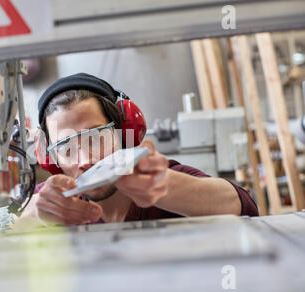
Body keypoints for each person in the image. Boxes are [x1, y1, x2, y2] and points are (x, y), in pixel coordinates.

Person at [16, 73, 258, 228]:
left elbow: (243, 207)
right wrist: (37, 213)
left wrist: (166, 188)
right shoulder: (56, 197)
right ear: (49, 157)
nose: (85, 160)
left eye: (97, 138)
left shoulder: (163, 176)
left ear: (125, 133)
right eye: (66, 148)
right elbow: (6, 225)